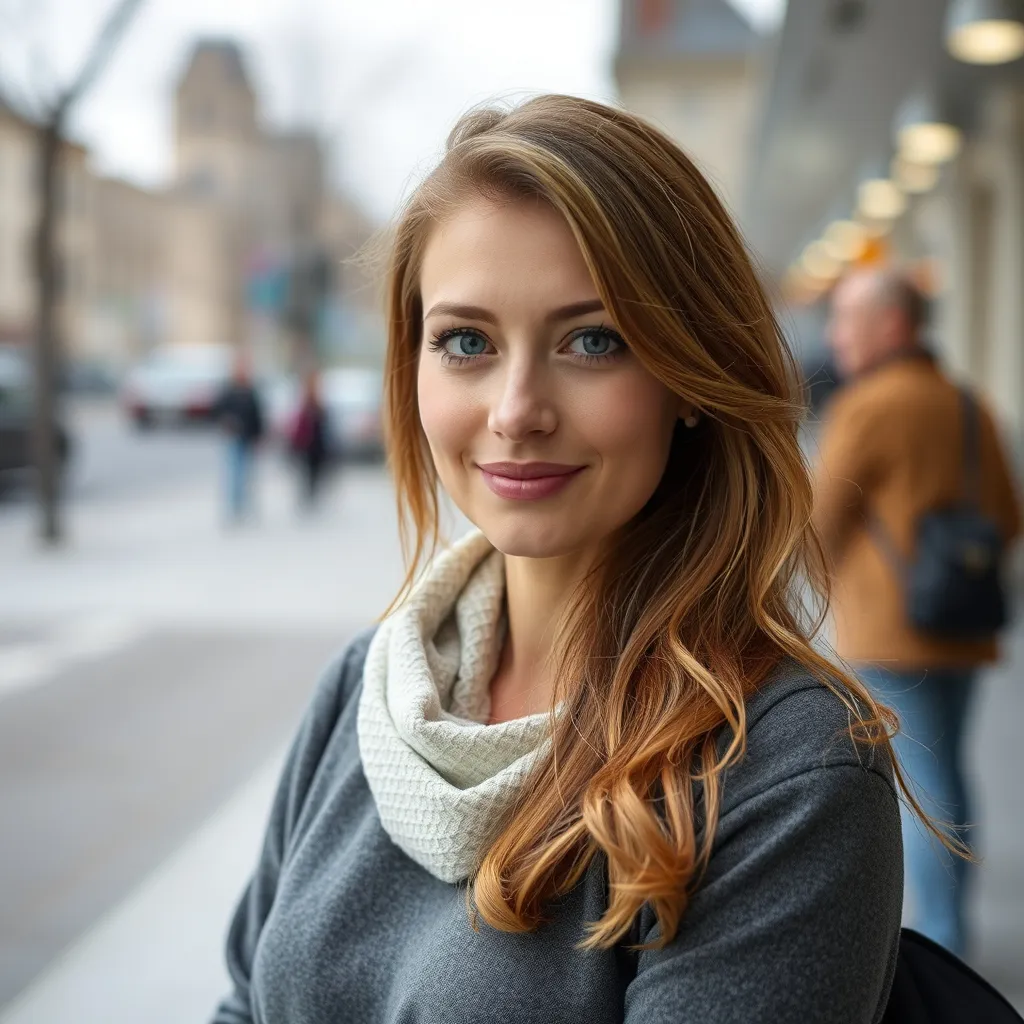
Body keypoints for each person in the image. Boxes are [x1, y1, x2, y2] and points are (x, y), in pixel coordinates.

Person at [211, 96, 917, 1024]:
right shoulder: (368, 687)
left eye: (593, 340)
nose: (515, 410)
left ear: (688, 376)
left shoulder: (786, 772)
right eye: (466, 342)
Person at [813, 268, 1021, 957]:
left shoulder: (868, 406)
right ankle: (948, 927)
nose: (836, 335)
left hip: (891, 630)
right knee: (949, 773)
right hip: (961, 622)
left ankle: (939, 938)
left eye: (847, 318)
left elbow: (818, 522)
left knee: (920, 787)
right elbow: (1008, 518)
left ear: (893, 325)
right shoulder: (969, 405)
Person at [214, 353, 265, 523]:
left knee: (248, 474)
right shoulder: (229, 389)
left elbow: (258, 415)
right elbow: (219, 411)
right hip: (234, 438)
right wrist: (227, 423)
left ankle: (246, 506)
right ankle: (234, 508)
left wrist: (259, 435)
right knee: (234, 474)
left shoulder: (250, 390)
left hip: (249, 437)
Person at [288, 369, 330, 510]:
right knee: (306, 473)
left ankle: (312, 495)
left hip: (317, 445)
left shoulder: (320, 403)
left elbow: (324, 423)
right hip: (306, 444)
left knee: (315, 472)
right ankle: (307, 496)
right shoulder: (306, 402)